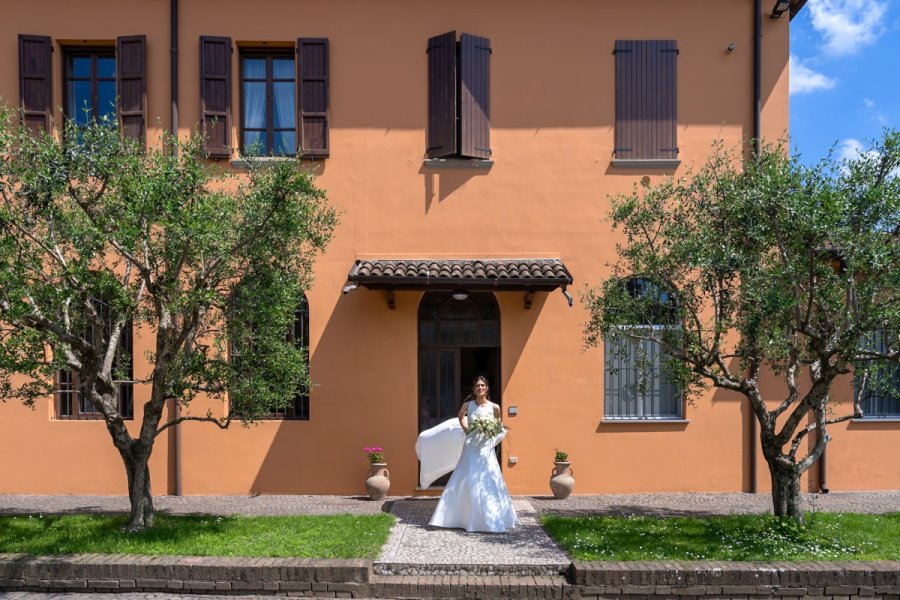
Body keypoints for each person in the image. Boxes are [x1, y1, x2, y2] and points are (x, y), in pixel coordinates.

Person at [429, 375, 519, 533]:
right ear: (474, 389)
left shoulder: (494, 407)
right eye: (477, 386)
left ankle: (490, 518)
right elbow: (460, 416)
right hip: (471, 446)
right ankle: (463, 517)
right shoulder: (468, 405)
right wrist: (467, 430)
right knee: (467, 477)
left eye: (482, 385)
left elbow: (499, 425)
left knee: (489, 478)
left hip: (485, 448)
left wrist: (492, 435)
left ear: (487, 388)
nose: (480, 388)